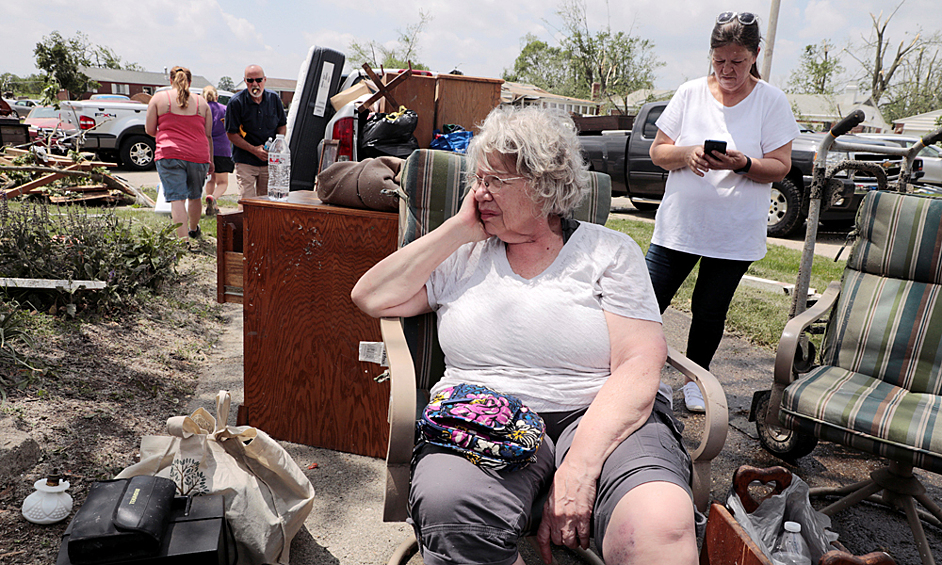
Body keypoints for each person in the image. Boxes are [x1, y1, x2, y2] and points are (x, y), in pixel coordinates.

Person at [352, 106, 697, 565]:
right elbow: (370, 296)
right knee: (452, 510)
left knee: (660, 522)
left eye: (494, 181)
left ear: (543, 185)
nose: (479, 193)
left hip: (599, 412)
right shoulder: (463, 253)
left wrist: (580, 466)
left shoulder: (608, 251)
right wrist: (456, 229)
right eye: (477, 179)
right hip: (484, 415)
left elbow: (639, 363)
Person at [646, 11, 799, 412]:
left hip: (733, 232)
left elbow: (781, 165)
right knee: (645, 303)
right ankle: (631, 370)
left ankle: (695, 380)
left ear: (756, 56)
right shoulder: (690, 92)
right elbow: (659, 152)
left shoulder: (771, 101)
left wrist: (743, 163)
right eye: (719, 61)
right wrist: (688, 153)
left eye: (737, 61)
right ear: (710, 56)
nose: (727, 70)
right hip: (679, 226)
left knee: (709, 311)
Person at [146, 66, 213, 239]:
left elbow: (149, 129)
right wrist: (211, 160)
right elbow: (208, 135)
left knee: (177, 200)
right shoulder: (202, 103)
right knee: (195, 196)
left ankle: (183, 243)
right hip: (198, 156)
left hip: (169, 154)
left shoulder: (159, 99)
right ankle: (193, 230)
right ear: (190, 82)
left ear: (170, 80)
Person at [225, 65, 287, 204]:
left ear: (264, 80)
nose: (255, 84)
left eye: (258, 80)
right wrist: (254, 150)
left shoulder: (274, 99)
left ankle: (264, 226)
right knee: (247, 200)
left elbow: (282, 126)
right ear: (245, 81)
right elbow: (231, 133)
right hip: (245, 160)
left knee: (267, 201)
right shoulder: (236, 102)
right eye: (250, 80)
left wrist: (277, 146)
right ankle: (247, 225)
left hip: (269, 161)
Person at [202, 85, 232, 216]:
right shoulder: (224, 109)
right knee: (223, 182)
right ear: (217, 96)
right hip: (222, 149)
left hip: (206, 149)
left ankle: (212, 204)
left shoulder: (201, 109)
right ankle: (213, 198)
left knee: (211, 179)